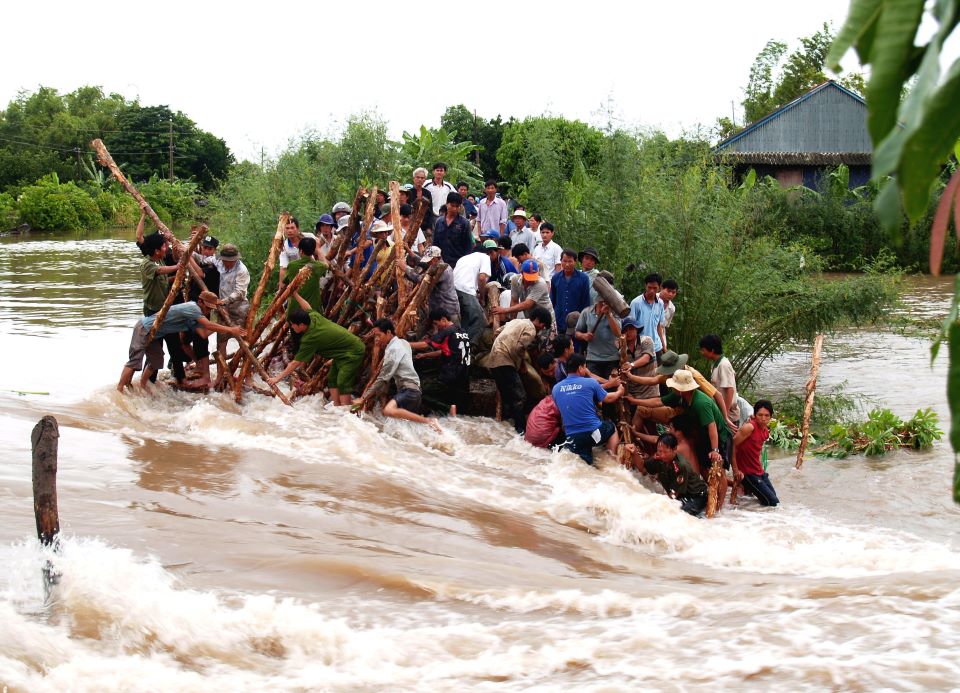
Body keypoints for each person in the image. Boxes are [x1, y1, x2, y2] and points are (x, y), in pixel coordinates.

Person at [118, 291, 245, 392]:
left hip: (156, 333)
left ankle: (143, 385)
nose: (208, 311)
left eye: (211, 309)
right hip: (145, 328)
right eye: (207, 307)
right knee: (135, 361)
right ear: (200, 302)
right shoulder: (192, 308)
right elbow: (207, 324)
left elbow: (204, 333)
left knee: (157, 360)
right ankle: (119, 390)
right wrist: (231, 329)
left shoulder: (195, 316)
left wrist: (224, 327)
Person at [268, 292, 366, 406]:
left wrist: (277, 378)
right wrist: (294, 294)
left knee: (342, 381)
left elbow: (295, 363)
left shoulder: (310, 338)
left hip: (354, 351)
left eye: (293, 324)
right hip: (342, 351)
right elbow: (307, 306)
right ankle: (337, 409)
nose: (292, 327)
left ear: (301, 325)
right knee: (332, 379)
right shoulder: (313, 317)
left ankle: (347, 411)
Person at [630, 369, 732, 474]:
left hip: (719, 437)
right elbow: (657, 402)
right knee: (704, 466)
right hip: (702, 433)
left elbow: (712, 426)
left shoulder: (701, 403)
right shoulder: (680, 396)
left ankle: (720, 490)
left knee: (718, 470)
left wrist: (715, 450)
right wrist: (635, 401)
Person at [355, 318, 442, 432]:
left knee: (388, 411)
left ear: (389, 332)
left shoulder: (393, 349)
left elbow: (383, 379)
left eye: (379, 335)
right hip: (415, 391)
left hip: (408, 391)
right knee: (405, 431)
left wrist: (363, 398)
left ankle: (430, 421)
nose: (377, 339)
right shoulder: (403, 343)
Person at [484, 306, 553, 433]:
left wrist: (499, 345)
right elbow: (519, 347)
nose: (542, 328)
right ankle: (520, 429)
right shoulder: (531, 329)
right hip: (505, 361)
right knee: (520, 396)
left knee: (507, 396)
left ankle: (505, 428)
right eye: (543, 325)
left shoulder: (515, 322)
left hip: (493, 360)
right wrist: (522, 366)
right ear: (537, 320)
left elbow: (496, 332)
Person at [553, 353, 625, 465]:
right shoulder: (590, 382)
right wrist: (620, 391)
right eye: (585, 367)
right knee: (611, 427)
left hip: (572, 438)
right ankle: (611, 462)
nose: (586, 370)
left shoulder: (556, 389)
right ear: (580, 368)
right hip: (593, 434)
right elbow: (609, 398)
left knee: (586, 465)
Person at [410, 309, 471, 416]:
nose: (436, 327)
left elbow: (425, 344)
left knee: (417, 392)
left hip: (450, 377)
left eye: (436, 323)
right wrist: (425, 355)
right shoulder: (462, 331)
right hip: (464, 378)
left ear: (443, 319)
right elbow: (447, 350)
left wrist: (403, 343)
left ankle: (448, 409)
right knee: (460, 413)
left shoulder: (447, 331)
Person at [633, 433, 708, 516]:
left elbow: (674, 494)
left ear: (674, 449)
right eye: (659, 451)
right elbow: (643, 469)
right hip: (680, 494)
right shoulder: (659, 457)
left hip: (697, 495)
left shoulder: (680, 465)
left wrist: (659, 505)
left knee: (679, 514)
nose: (662, 455)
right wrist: (634, 452)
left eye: (665, 451)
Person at [731, 399, 780, 506]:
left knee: (774, 498)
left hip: (758, 471)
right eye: (760, 415)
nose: (763, 418)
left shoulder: (765, 431)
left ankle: (746, 492)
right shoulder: (749, 427)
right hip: (747, 473)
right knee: (772, 503)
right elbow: (732, 446)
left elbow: (756, 450)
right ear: (754, 414)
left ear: (770, 417)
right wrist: (735, 470)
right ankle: (744, 486)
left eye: (767, 415)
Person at [452, 239, 498, 347]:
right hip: (466, 290)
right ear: (488, 253)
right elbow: (482, 278)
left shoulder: (463, 258)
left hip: (453, 290)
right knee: (480, 320)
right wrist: (481, 296)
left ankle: (459, 346)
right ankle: (468, 347)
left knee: (466, 321)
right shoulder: (485, 257)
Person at [493, 259, 556, 329]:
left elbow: (527, 304)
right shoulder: (515, 280)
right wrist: (512, 322)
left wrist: (504, 310)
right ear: (522, 273)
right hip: (531, 320)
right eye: (528, 277)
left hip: (545, 322)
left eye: (533, 277)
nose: (531, 280)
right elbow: (514, 301)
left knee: (546, 339)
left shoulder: (541, 283)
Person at [700, 333, 741, 428]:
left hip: (729, 416)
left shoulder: (724, 365)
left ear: (712, 350)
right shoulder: (715, 364)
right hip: (720, 412)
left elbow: (730, 390)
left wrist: (725, 416)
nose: (702, 353)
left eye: (703, 350)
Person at [574, 300, 622, 379]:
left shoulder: (614, 313)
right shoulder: (586, 312)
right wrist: (584, 336)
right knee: (594, 387)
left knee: (612, 387)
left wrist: (609, 315)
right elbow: (577, 333)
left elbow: (618, 333)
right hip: (592, 359)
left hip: (612, 359)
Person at [550, 249, 591, 334]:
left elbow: (585, 302)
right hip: (559, 321)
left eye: (570, 261)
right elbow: (552, 301)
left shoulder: (583, 279)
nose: (567, 264)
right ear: (561, 261)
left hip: (576, 323)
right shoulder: (555, 278)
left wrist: (583, 322)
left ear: (575, 262)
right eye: (564, 261)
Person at [628, 272, 666, 356]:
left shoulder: (660, 303)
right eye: (649, 287)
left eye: (655, 288)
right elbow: (630, 327)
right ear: (645, 286)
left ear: (659, 288)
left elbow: (659, 326)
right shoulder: (636, 303)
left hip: (657, 346)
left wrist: (663, 345)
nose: (652, 291)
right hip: (641, 347)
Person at [432, 192, 473, 267]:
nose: (454, 209)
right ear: (447, 204)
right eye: (452, 205)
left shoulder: (464, 223)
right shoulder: (439, 222)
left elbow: (468, 246)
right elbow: (435, 243)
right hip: (441, 262)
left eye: (457, 206)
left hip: (458, 263)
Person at [278, 217, 315, 292]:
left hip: (312, 271)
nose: (290, 231)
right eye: (287, 228)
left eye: (292, 228)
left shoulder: (308, 237)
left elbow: (318, 248)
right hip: (296, 278)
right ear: (284, 230)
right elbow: (283, 268)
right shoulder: (284, 246)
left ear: (297, 229)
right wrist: (281, 287)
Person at [660, 279, 679, 348]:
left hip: (660, 340)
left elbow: (664, 326)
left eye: (673, 292)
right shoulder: (652, 298)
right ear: (662, 288)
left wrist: (663, 345)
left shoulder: (672, 308)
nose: (670, 294)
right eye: (668, 291)